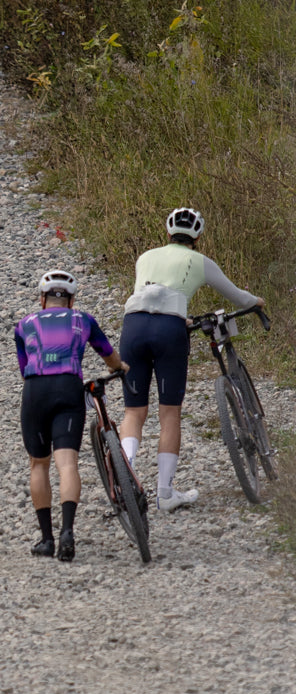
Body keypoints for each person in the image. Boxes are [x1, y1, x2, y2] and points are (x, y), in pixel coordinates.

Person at [118, 207, 265, 512]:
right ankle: (165, 493)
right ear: (198, 236)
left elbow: (150, 295)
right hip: (169, 330)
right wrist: (256, 302)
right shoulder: (200, 261)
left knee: (133, 412)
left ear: (168, 233)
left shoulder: (144, 257)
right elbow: (237, 296)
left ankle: (123, 480)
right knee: (169, 413)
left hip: (133, 326)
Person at [16, 270, 125, 561]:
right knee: (67, 464)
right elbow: (108, 354)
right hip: (68, 387)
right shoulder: (82, 319)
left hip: (36, 390)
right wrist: (120, 368)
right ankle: (67, 532)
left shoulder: (24, 324)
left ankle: (46, 539)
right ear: (72, 300)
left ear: (42, 299)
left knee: (38, 465)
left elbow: (23, 366)